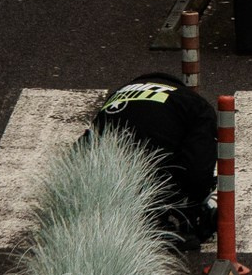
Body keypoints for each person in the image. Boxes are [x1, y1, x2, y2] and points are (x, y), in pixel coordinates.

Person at [87, 74, 217, 253]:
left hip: (97, 177)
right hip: (148, 174)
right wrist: (193, 209)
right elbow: (197, 171)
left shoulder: (118, 95)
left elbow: (86, 145)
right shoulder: (196, 106)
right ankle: (152, 223)